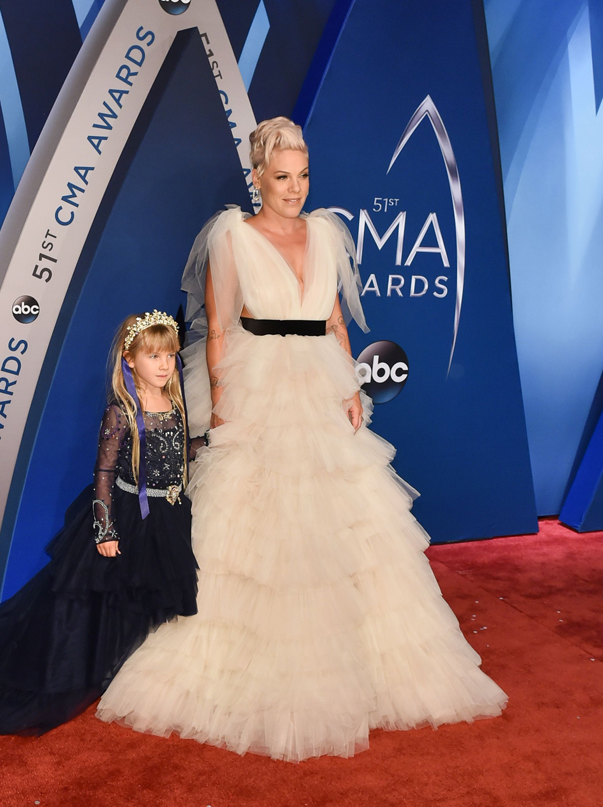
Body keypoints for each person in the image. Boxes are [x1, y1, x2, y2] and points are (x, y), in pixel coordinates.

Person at [96, 118, 507, 761]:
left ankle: (362, 671)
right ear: (257, 177)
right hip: (257, 383)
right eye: (282, 176)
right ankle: (241, 673)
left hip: (320, 380)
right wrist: (224, 407)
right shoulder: (233, 235)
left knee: (345, 521)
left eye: (303, 175)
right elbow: (223, 328)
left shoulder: (326, 232)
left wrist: (350, 386)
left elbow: (336, 316)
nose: (294, 188)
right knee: (252, 525)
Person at [0, 311, 203, 735]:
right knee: (97, 603)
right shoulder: (122, 411)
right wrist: (105, 528)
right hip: (127, 517)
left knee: (144, 600)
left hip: (167, 518)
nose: (165, 365)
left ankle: (131, 669)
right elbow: (105, 474)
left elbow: (175, 452)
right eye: (153, 356)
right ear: (130, 360)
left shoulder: (177, 402)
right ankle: (87, 669)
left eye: (170, 355)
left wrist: (208, 444)